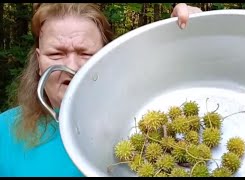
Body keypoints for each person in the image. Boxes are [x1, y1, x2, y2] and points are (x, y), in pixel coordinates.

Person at [0, 3, 202, 177]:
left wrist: (187, 40)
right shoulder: (5, 132)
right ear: (39, 60)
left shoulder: (142, 119)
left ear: (105, 57)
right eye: (56, 54)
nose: (72, 67)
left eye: (85, 53)